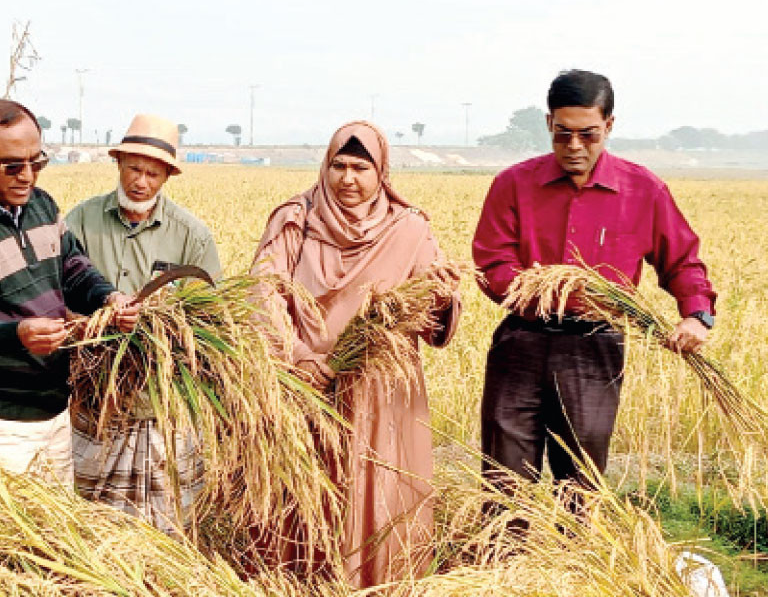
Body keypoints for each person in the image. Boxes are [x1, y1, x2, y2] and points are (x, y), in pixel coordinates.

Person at [472, 70, 717, 493]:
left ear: (609, 125)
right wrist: (540, 288)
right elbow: (492, 261)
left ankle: (578, 558)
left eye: (588, 135)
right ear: (549, 123)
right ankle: (504, 557)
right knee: (504, 477)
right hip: (521, 344)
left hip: (595, 347)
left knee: (580, 480)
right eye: (562, 134)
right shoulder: (513, 184)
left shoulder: (644, 190)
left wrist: (696, 316)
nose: (573, 147)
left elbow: (682, 261)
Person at [251, 121, 461, 587]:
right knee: (301, 494)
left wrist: (442, 297)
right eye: (338, 166)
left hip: (379, 389)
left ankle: (376, 583)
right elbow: (262, 295)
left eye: (360, 167)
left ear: (381, 172)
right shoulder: (293, 220)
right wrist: (298, 357)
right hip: (303, 385)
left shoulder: (409, 228)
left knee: (378, 491)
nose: (347, 178)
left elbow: (431, 312)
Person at [0, 98, 138, 485]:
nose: (28, 176)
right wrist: (15, 336)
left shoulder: (39, 205)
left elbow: (73, 268)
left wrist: (108, 298)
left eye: (37, 162)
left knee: (53, 535)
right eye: (13, 165)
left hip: (51, 409)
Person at [65, 113, 222, 532]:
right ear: (119, 164)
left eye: (153, 173)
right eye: (134, 167)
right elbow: (54, 293)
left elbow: (209, 321)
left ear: (167, 176)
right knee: (84, 516)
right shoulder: (79, 222)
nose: (141, 181)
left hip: (158, 403)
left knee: (161, 526)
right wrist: (88, 325)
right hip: (90, 398)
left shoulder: (192, 236)